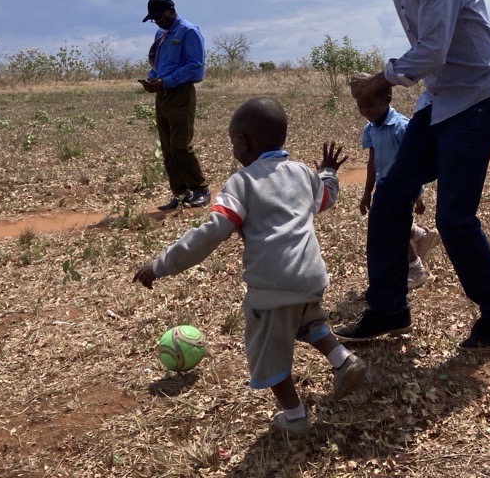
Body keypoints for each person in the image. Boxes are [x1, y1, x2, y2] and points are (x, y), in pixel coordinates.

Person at [334, 0, 490, 350]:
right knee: (390, 196)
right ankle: (389, 309)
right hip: (440, 101)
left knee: (455, 216)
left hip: (478, 98)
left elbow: (432, 52)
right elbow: (432, 58)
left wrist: (380, 80)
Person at [133, 97, 366, 434]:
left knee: (268, 352)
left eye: (232, 141)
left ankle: (295, 417)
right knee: (306, 321)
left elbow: (210, 233)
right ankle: (343, 360)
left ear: (243, 141)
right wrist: (328, 172)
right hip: (311, 275)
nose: (232, 148)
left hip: (272, 285)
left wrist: (161, 264)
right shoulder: (301, 173)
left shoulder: (241, 184)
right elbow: (326, 198)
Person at [349, 72, 439, 291]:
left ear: (387, 99)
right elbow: (372, 163)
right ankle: (421, 235)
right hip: (385, 187)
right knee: (393, 225)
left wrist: (417, 193)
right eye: (361, 107)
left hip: (405, 187)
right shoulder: (370, 129)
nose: (365, 112)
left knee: (394, 230)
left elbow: (416, 162)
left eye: (370, 105)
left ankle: (417, 271)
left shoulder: (402, 127)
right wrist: (367, 192)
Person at [139, 0, 210, 210]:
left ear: (170, 12)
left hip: (180, 94)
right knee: (168, 147)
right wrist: (153, 77)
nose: (157, 22)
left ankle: (200, 190)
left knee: (180, 145)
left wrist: (166, 81)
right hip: (163, 96)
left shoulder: (188, 31)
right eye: (154, 19)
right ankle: (180, 194)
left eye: (159, 17)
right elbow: (158, 63)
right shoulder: (161, 33)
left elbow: (195, 66)